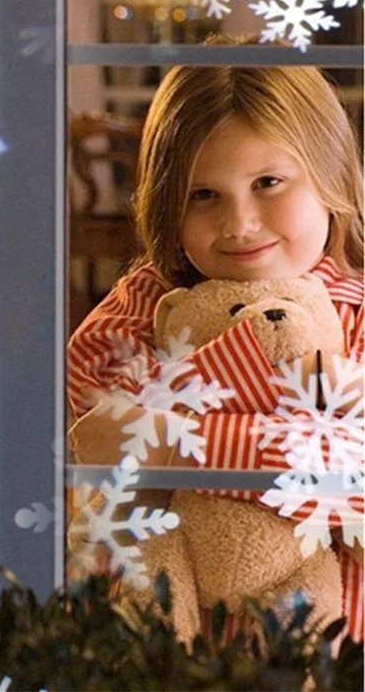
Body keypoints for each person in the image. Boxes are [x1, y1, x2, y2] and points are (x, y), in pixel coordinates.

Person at [66, 34, 364, 644]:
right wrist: (298, 437)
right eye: (204, 195)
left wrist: (178, 443)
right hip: (173, 651)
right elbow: (97, 447)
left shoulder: (358, 316)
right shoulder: (142, 308)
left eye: (269, 183)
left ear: (330, 176)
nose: (239, 225)